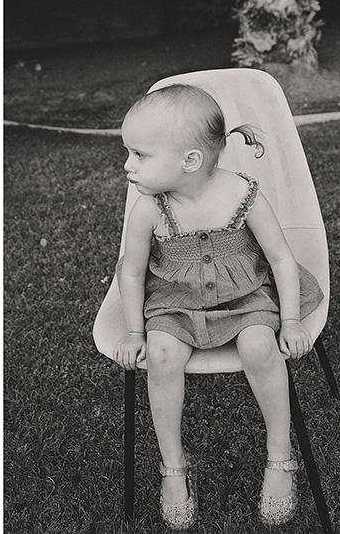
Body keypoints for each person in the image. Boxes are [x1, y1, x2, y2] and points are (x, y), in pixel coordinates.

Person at [112, 84, 323, 530]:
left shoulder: (243, 196)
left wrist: (289, 320)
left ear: (190, 161)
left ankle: (280, 457)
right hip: (175, 302)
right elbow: (131, 273)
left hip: (245, 297)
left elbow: (282, 258)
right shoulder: (149, 210)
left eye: (140, 155)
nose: (127, 166)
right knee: (163, 356)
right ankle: (173, 466)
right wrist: (135, 332)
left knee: (260, 348)